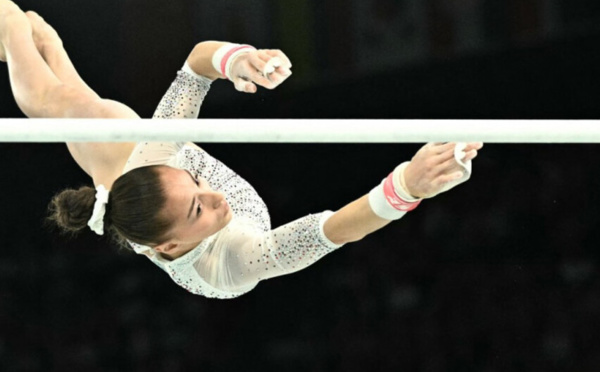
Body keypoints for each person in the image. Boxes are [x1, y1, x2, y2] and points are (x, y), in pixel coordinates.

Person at [1, 1, 483, 299]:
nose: (214, 195)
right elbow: (336, 229)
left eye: (197, 190)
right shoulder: (231, 251)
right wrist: (408, 186)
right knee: (84, 109)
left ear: (165, 246)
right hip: (131, 178)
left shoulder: (169, 176)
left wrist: (238, 60)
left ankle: (13, 27)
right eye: (198, 204)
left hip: (126, 167)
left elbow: (194, 67)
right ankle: (42, 42)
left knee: (61, 106)